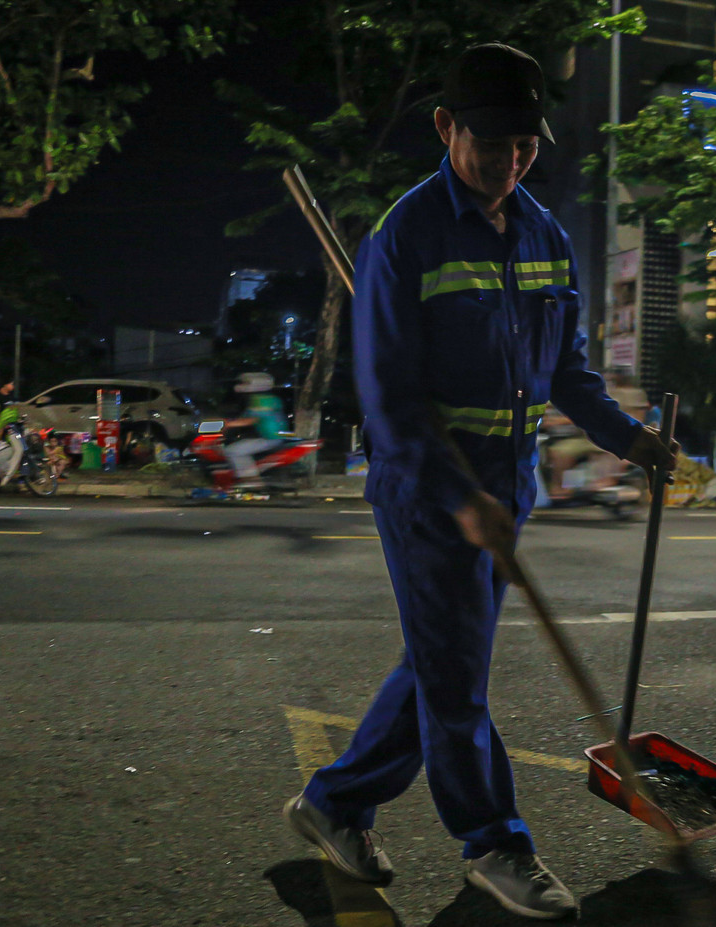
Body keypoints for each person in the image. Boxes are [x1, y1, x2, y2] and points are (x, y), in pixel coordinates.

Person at [280, 43, 677, 921]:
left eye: (524, 145)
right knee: (457, 682)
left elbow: (566, 369)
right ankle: (496, 842)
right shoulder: (406, 236)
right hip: (432, 494)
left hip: (508, 487)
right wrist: (462, 501)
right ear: (445, 128)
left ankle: (335, 801)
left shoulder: (542, 232)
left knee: (437, 664)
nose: (509, 161)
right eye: (490, 144)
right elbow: (387, 399)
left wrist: (629, 437)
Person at [222, 371, 287, 489]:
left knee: (232, 451)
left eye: (245, 383)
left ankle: (250, 480)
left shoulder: (261, 400)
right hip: (271, 435)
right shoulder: (266, 398)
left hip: (270, 437)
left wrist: (229, 424)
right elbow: (246, 417)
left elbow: (252, 419)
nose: (241, 385)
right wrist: (231, 422)